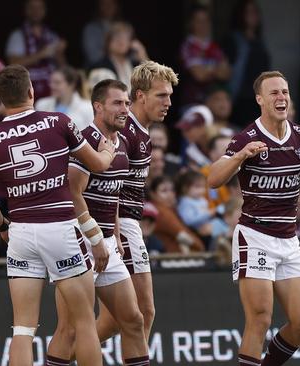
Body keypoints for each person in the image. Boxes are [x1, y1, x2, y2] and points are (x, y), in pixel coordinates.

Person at [0, 64, 116, 365]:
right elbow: (100, 165)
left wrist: (2, 225)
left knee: (23, 327)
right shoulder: (59, 122)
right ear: (31, 91)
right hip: (61, 228)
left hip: (21, 233)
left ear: (1, 99)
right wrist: (108, 150)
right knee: (84, 323)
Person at [207, 70, 300, 366]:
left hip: (288, 239)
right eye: (274, 93)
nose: (281, 97)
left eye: (284, 92)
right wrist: (240, 156)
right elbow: (214, 179)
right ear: (259, 99)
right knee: (260, 319)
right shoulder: (247, 137)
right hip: (255, 235)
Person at [47, 79, 149, 366]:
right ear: (98, 106)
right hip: (79, 240)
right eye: (117, 103)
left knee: (133, 319)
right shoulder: (87, 140)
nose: (125, 109)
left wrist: (114, 235)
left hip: (106, 242)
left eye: (128, 103)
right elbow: (72, 192)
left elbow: (113, 193)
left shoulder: (124, 142)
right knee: (69, 329)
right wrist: (94, 238)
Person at [117, 60, 178, 340]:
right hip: (119, 225)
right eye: (161, 95)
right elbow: (104, 187)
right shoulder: (124, 131)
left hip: (128, 223)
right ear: (140, 95)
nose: (168, 102)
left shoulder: (144, 132)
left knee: (122, 318)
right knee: (143, 311)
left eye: (170, 96)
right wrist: (112, 232)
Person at [221, 0, 270, 127]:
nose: (253, 15)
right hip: (239, 97)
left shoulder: (260, 41)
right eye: (249, 12)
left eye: (255, 11)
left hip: (257, 97)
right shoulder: (233, 39)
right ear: (241, 15)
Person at [5, 0, 67, 100]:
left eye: (39, 8)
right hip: (27, 92)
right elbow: (12, 64)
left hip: (52, 91)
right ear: (26, 10)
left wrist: (60, 53)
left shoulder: (51, 35)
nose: (36, 11)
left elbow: (64, 68)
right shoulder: (17, 35)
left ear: (44, 11)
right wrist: (41, 54)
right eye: (32, 8)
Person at [179, 5, 231, 107]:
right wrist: (217, 69)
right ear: (191, 23)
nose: (203, 25)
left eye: (206, 20)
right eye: (199, 21)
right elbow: (199, 75)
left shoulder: (215, 47)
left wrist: (207, 70)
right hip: (193, 104)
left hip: (214, 105)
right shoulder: (188, 46)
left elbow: (226, 74)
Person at [149, 175, 203, 253]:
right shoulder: (162, 212)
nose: (170, 194)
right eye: (164, 191)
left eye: (172, 190)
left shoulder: (168, 209)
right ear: (153, 194)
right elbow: (183, 235)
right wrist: (201, 247)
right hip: (171, 258)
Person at [90, 22, 149, 91]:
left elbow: (152, 83)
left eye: (125, 37)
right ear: (108, 41)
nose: (121, 41)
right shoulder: (100, 66)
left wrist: (143, 56)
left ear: (131, 42)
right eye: (116, 37)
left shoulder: (135, 64)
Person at [176, 170, 228, 246]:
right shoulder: (185, 202)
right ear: (185, 188)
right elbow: (188, 221)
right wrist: (209, 213)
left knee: (222, 224)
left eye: (203, 187)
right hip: (196, 233)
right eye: (197, 187)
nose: (201, 190)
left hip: (206, 228)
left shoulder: (202, 200)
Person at [82, 0, 122, 67]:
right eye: (104, 4)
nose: (108, 7)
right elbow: (93, 56)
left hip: (122, 68)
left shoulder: (124, 27)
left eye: (111, 4)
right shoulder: (91, 29)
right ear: (99, 7)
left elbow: (132, 55)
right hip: (99, 68)